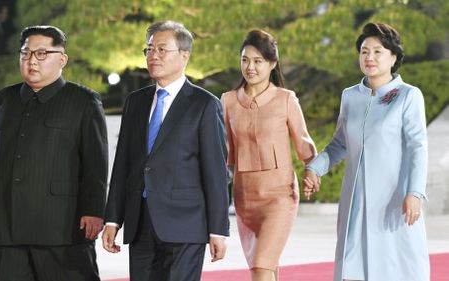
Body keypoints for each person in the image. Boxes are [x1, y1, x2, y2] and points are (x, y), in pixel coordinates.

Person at [0, 25, 108, 281]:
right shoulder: (2, 100)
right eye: (26, 53)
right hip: (7, 227)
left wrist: (94, 209)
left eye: (42, 53)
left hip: (61, 227)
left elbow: (96, 163)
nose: (32, 60)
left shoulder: (83, 101)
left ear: (61, 59)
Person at [102, 20, 230, 281]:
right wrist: (113, 219)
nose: (153, 56)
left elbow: (215, 172)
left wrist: (218, 229)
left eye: (162, 49)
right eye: (149, 49)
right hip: (140, 223)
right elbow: (123, 165)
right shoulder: (135, 102)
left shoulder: (204, 105)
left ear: (184, 56)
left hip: (186, 224)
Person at [304, 22, 430, 281]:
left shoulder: (408, 96)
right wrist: (315, 168)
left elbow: (418, 147)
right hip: (356, 202)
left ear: (393, 57)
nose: (369, 57)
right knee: (353, 267)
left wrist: (414, 193)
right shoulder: (350, 96)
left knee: (395, 268)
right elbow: (339, 144)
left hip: (393, 201)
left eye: (377, 51)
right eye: (364, 51)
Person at [221, 30, 317, 281]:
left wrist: (312, 170)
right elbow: (225, 156)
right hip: (244, 199)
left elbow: (304, 144)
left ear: (272, 64)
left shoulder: (286, 100)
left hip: (280, 197)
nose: (250, 67)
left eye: (258, 61)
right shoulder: (228, 101)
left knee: (261, 267)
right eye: (245, 60)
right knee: (266, 266)